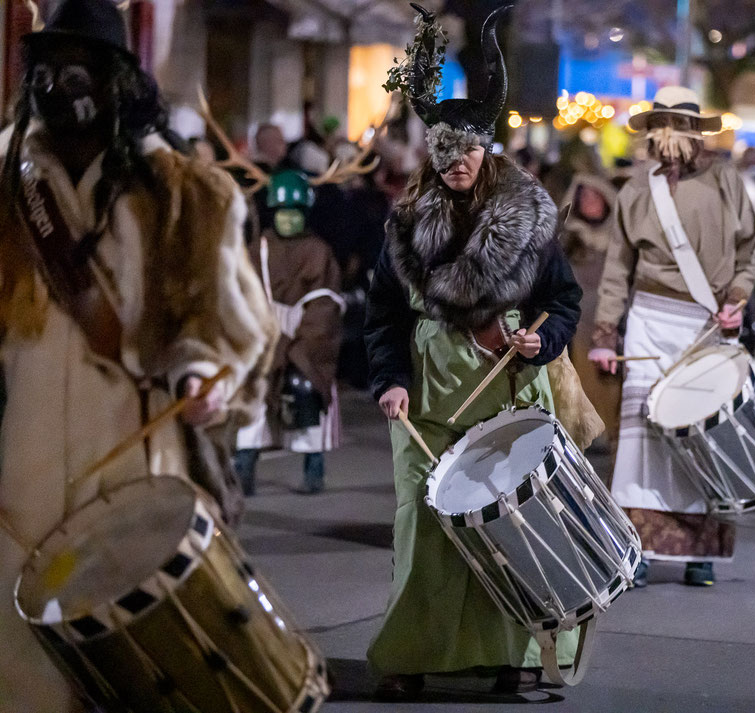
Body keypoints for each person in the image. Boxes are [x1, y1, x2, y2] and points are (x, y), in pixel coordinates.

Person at [0, 1, 275, 711]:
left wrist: (204, 373)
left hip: (133, 456)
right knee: (19, 638)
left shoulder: (183, 195)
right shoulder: (7, 183)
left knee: (138, 637)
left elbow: (226, 316)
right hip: (18, 454)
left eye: (81, 71)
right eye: (50, 72)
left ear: (120, 80)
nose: (63, 88)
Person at [365, 4, 582, 698]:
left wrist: (539, 339)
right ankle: (408, 657)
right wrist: (390, 379)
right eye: (444, 151)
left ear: (487, 149)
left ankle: (520, 653)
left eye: (468, 150)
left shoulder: (530, 219)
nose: (456, 163)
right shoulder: (403, 224)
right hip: (427, 400)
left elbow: (565, 301)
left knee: (515, 531)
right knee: (423, 533)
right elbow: (382, 315)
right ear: (431, 152)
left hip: (508, 390)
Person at [589, 86, 755, 587]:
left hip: (706, 322)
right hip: (648, 318)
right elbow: (618, 267)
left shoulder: (726, 180)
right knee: (642, 441)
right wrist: (605, 334)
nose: (670, 136)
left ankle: (701, 549)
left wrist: (738, 299)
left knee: (703, 435)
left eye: (679, 125)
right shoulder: (636, 189)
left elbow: (751, 250)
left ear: (694, 131)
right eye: (661, 125)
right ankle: (636, 547)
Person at [235, 170, 344, 494]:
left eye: (293, 213)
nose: (287, 220)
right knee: (252, 396)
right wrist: (267, 337)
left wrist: (300, 344)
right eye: (282, 213)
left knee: (305, 388)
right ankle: (245, 465)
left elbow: (326, 303)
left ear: (304, 214)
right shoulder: (259, 248)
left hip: (305, 336)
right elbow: (244, 293)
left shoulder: (318, 251)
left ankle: (313, 465)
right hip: (265, 332)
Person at [559, 172, 621, 455]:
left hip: (613, 328)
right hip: (578, 329)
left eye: (596, 197)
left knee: (612, 385)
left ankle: (613, 437)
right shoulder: (567, 241)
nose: (590, 203)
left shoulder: (620, 242)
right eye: (584, 197)